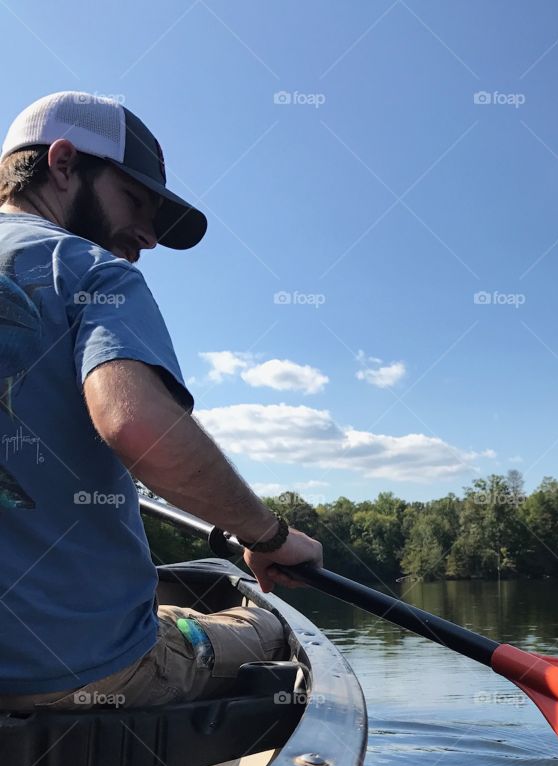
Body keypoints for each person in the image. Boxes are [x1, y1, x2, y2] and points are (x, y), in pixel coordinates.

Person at [0, 92, 325, 712]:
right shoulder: (88, 269)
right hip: (70, 675)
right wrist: (271, 537)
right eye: (135, 201)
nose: (147, 236)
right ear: (63, 164)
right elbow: (137, 426)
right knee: (264, 626)